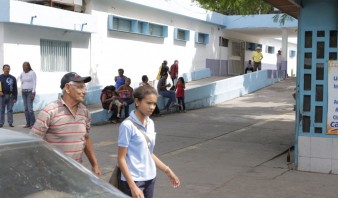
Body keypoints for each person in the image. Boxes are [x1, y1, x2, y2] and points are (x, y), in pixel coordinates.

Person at [30, 72, 102, 176]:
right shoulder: (50, 111)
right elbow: (34, 142)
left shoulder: (85, 112)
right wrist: (42, 168)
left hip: (76, 172)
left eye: (84, 87)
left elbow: (85, 138)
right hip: (53, 173)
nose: (84, 91)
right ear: (68, 88)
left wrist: (95, 165)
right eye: (80, 87)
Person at [117, 85, 180, 198]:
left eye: (154, 104)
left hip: (150, 178)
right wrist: (133, 187)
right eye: (148, 103)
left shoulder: (150, 123)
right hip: (134, 180)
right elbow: (121, 158)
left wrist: (168, 171)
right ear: (137, 102)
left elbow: (148, 153)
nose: (152, 107)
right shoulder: (127, 126)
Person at [19, 62, 36, 128]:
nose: (25, 67)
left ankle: (33, 124)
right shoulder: (22, 73)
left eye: (26, 65)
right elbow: (21, 80)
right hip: (24, 92)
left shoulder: (32, 73)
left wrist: (33, 92)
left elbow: (34, 82)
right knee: (26, 109)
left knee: (30, 109)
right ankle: (28, 123)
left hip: (30, 92)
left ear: (29, 66)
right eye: (23, 65)